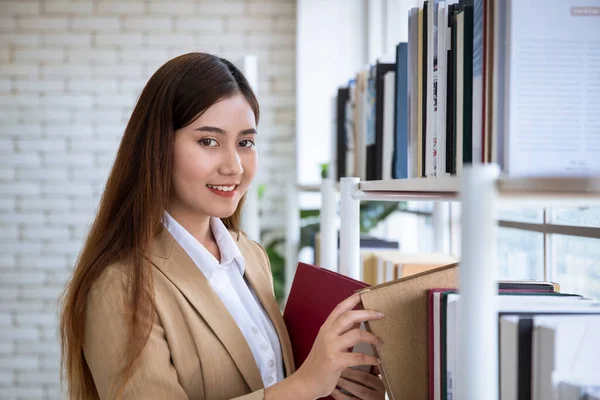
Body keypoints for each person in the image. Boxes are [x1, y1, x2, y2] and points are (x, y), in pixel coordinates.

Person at [59, 52, 386, 400]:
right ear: (157, 148)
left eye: (245, 143)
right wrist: (304, 385)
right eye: (208, 141)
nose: (234, 167)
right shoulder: (122, 285)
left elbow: (274, 382)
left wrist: (336, 387)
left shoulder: (249, 254)